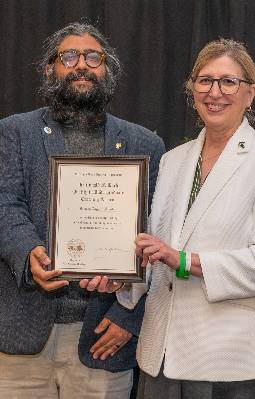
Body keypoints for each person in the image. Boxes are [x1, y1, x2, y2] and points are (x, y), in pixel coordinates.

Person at [95, 38, 255, 398]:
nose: (215, 92)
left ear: (250, 93)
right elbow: (156, 249)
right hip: (161, 356)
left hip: (232, 361)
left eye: (229, 81)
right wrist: (120, 278)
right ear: (192, 88)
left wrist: (185, 261)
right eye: (205, 80)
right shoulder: (173, 160)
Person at [0, 22, 165, 399]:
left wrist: (129, 317)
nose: (82, 65)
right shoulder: (13, 132)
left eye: (94, 57)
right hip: (22, 334)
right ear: (49, 69)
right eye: (69, 56)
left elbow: (161, 235)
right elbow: (4, 203)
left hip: (103, 335)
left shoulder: (145, 144)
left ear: (107, 70)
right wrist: (28, 254)